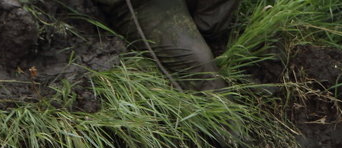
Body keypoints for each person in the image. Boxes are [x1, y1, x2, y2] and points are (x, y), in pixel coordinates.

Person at [93, 0, 241, 90]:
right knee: (201, 65)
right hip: (141, 5)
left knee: (202, 39)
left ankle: (205, 33)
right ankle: (236, 138)